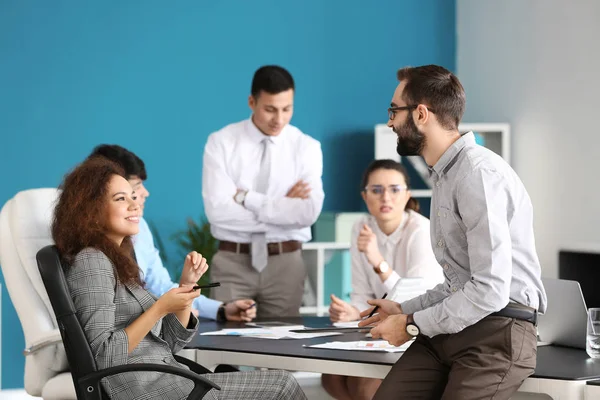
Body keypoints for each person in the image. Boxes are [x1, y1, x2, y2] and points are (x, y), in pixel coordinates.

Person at [359, 65, 547, 400]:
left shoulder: (477, 174)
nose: (390, 122)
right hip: (453, 328)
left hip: (498, 332)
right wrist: (403, 309)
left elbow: (489, 291)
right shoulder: (444, 175)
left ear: (420, 114)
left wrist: (412, 324)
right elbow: (457, 284)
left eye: (393, 111)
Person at [51, 157, 307, 400]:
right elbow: (103, 356)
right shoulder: (92, 261)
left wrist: (185, 290)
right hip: (146, 390)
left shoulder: (119, 261)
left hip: (169, 381)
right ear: (91, 211)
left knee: (275, 384)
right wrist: (161, 307)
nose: (135, 204)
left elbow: (169, 344)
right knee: (282, 385)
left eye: (133, 196)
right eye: (121, 199)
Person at [202, 65, 324, 318]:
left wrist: (247, 199)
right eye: (270, 109)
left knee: (283, 349)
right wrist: (282, 206)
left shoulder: (307, 147)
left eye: (286, 109)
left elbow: (307, 213)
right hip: (232, 260)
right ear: (251, 101)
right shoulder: (221, 142)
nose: (278, 119)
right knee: (225, 348)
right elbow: (218, 212)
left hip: (286, 262)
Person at [88, 144, 256, 322]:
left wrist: (219, 310)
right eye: (133, 189)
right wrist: (165, 312)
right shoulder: (88, 255)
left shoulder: (140, 228)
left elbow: (161, 286)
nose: (144, 194)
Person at [322, 159, 444, 400]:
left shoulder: (421, 231)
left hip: (416, 328)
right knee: (331, 377)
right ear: (365, 196)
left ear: (407, 195)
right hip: (378, 330)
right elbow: (361, 293)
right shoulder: (361, 227)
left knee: (366, 384)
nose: (385, 198)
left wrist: (378, 261)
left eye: (394, 189)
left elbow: (413, 299)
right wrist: (353, 312)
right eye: (376, 190)